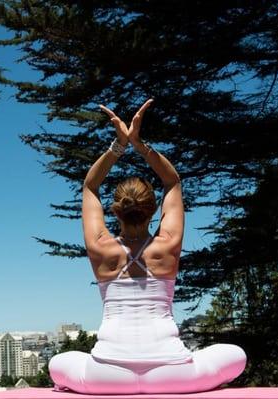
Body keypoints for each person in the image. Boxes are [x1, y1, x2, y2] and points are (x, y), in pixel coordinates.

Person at [48, 99, 247, 394]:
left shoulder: (100, 248)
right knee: (236, 356)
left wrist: (118, 145)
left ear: (115, 211)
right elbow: (173, 182)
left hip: (107, 375)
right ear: (154, 210)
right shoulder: (167, 246)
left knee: (59, 363)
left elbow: (90, 186)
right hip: (174, 374)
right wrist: (140, 144)